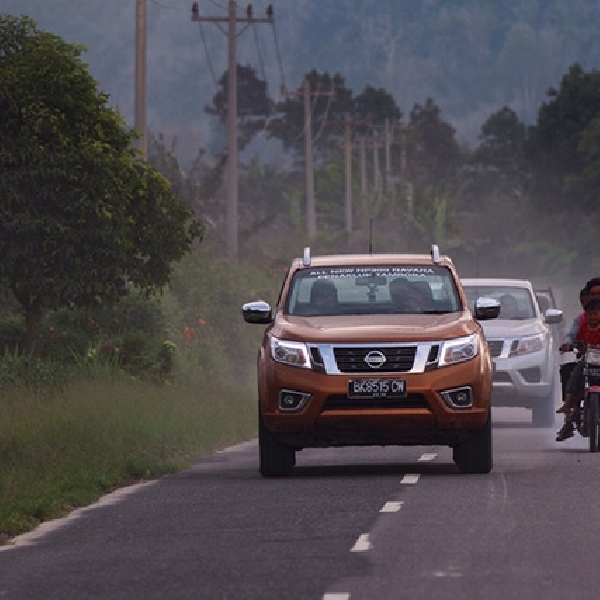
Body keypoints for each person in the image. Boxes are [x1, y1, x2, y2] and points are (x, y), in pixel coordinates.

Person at [555, 297, 600, 441]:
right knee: (573, 374)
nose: (593, 317)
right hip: (586, 360)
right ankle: (568, 406)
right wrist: (568, 345)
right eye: (590, 314)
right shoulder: (581, 324)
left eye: (596, 314)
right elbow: (571, 337)